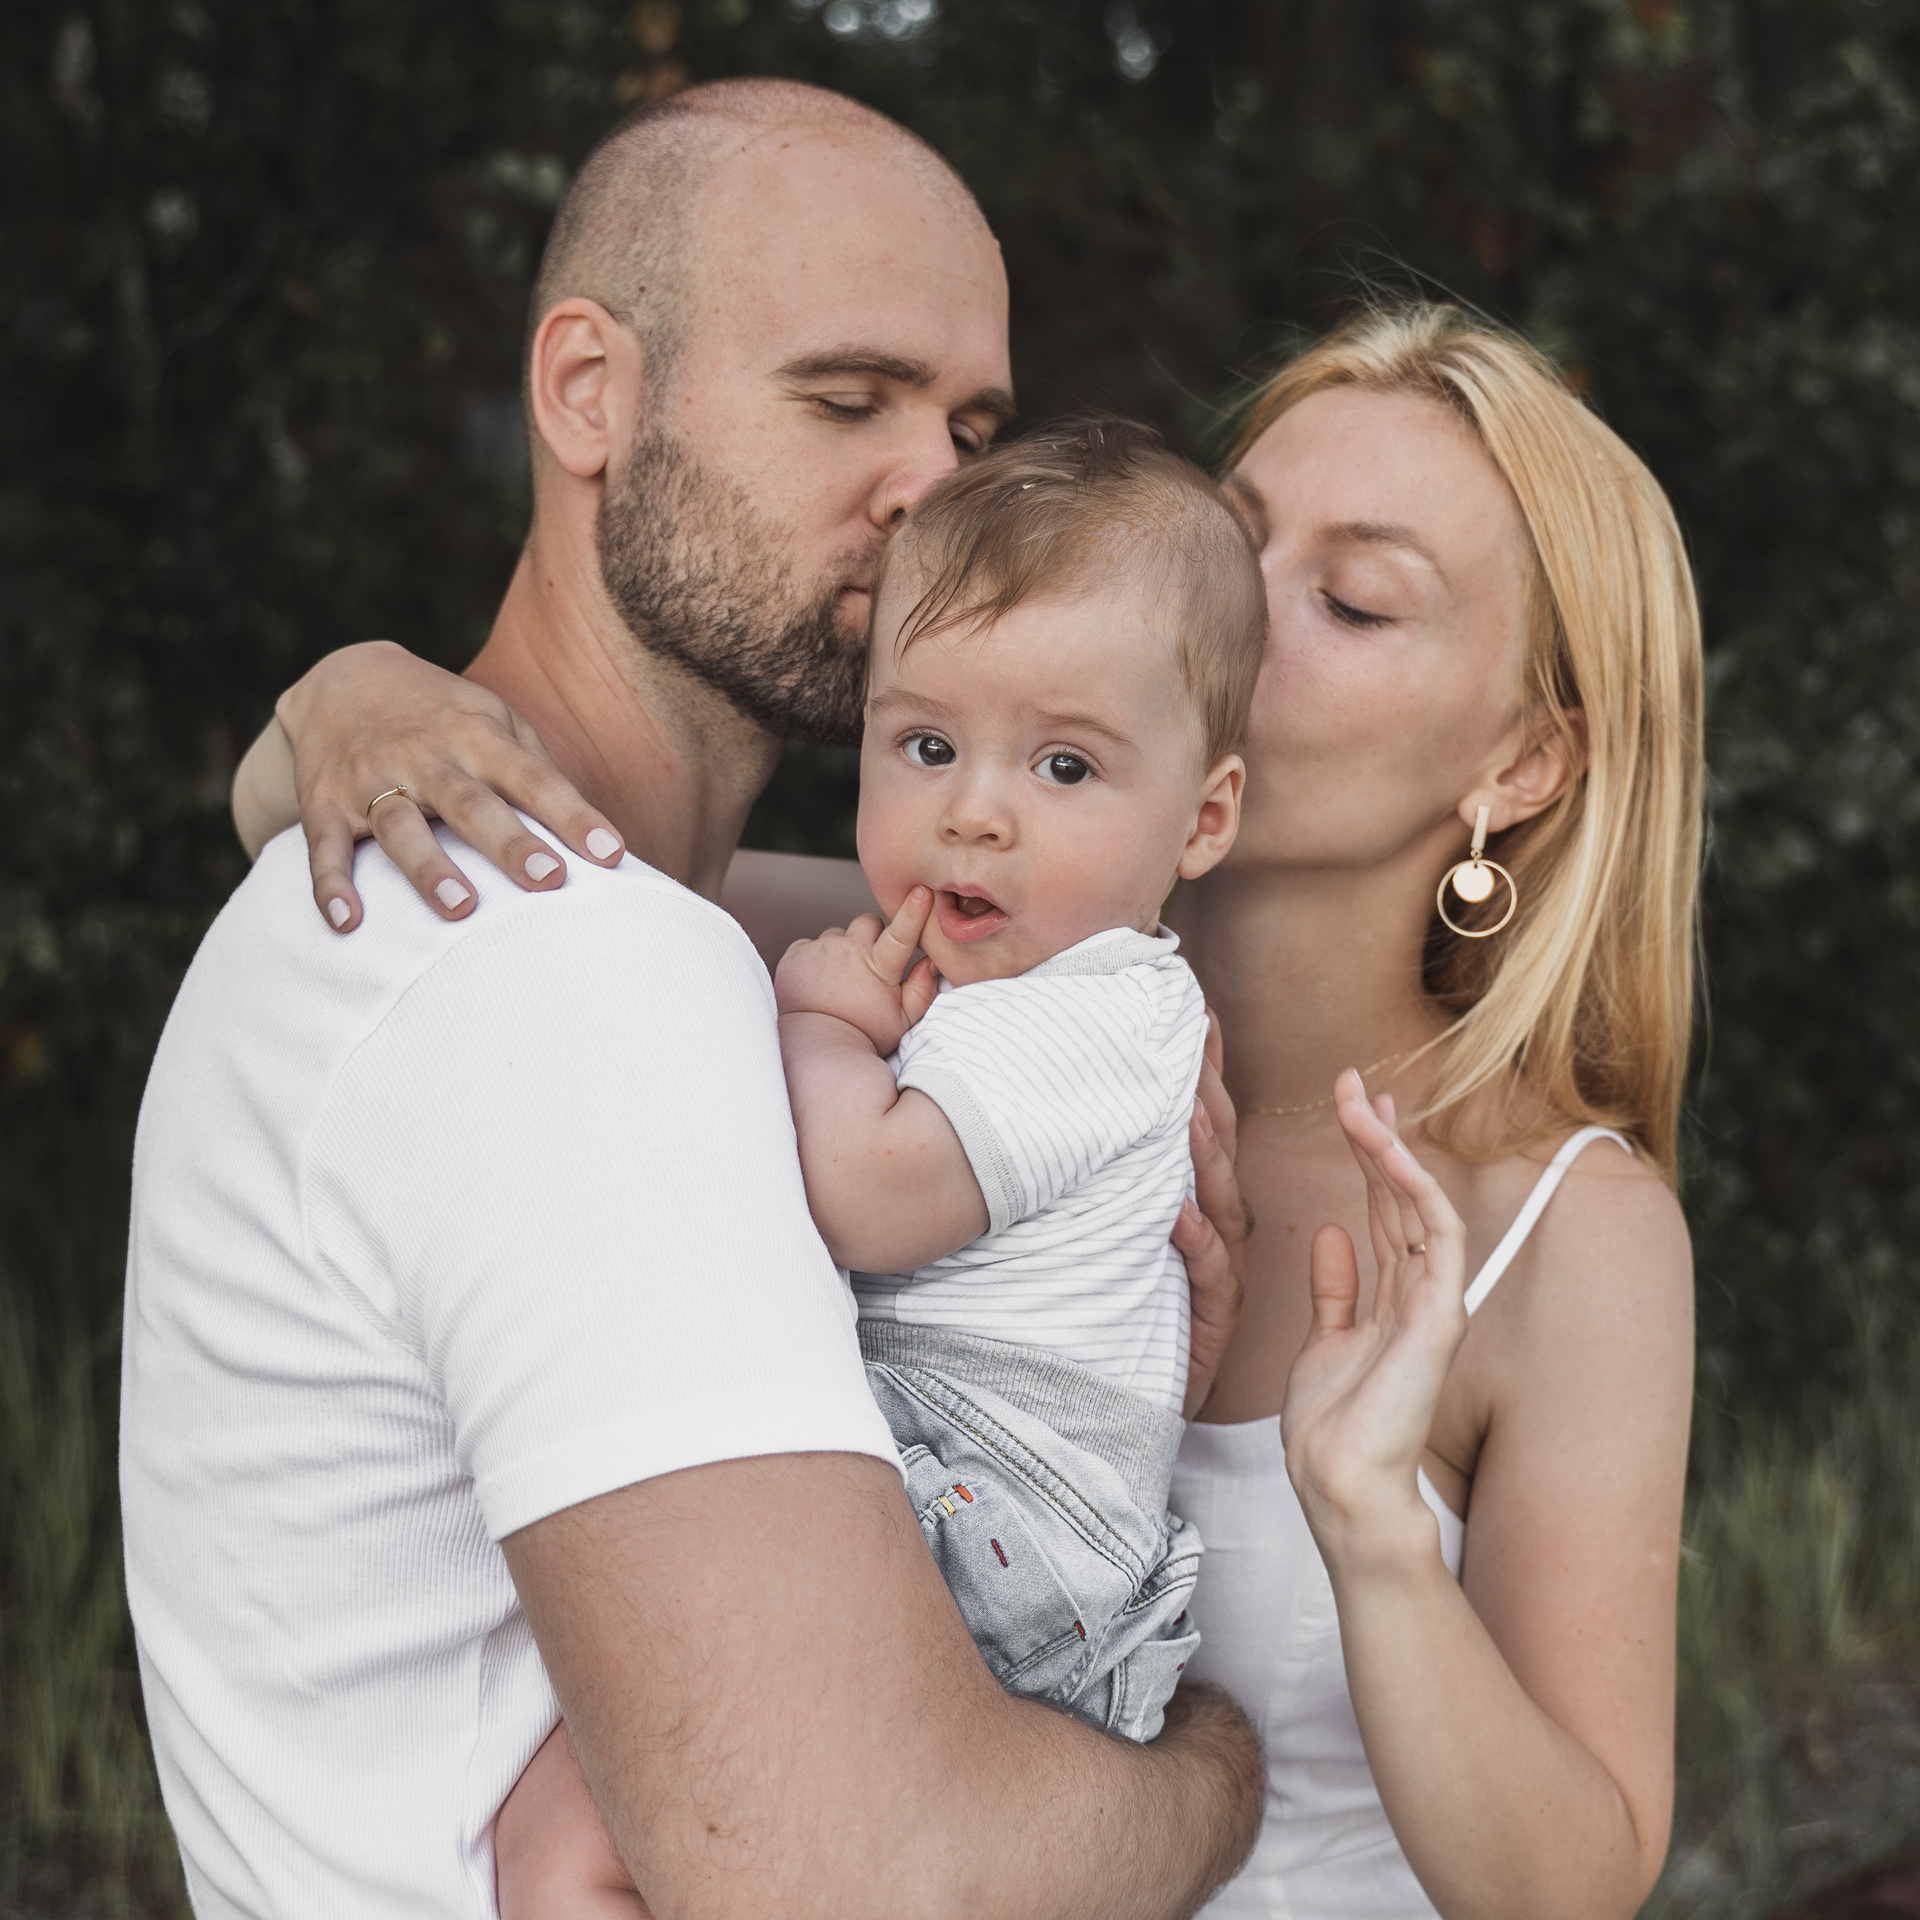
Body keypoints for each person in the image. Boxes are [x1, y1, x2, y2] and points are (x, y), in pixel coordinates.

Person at [252, 303, 1704, 1920]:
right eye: (1225, 545)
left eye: (1353, 602)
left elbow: (1574, 1885)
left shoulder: (1566, 1227)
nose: (1240, 616)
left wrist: (1369, 1528)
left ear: (1523, 763)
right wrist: (346, 697)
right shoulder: (916, 976)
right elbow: (423, 860)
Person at [123, 79, 1264, 1920]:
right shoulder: (573, 969)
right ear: (588, 394)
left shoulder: (604, 920)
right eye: (845, 398)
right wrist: (1211, 1763)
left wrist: (321, 707)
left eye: (971, 421)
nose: (932, 488)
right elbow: (888, 1884)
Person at [503, 416, 1268, 1914]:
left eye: (1063, 764)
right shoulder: (996, 976)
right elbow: (633, 888)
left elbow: (868, 1192)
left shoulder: (1103, 1010)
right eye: (925, 745)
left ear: (1207, 815)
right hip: (987, 1507)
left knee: (611, 1791)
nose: (973, 808)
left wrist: (815, 1027)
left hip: (1002, 1528)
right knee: (591, 1812)